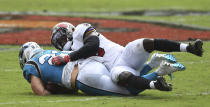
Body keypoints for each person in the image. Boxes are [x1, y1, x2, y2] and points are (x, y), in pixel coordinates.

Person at [50, 22, 192, 90]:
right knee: (119, 77)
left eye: (62, 39)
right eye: (59, 43)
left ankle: (188, 47)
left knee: (142, 43)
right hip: (117, 67)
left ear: (70, 30)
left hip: (124, 54)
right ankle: (156, 82)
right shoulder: (70, 54)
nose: (62, 44)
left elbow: (92, 45)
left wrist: (68, 57)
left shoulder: (80, 30)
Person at [19, 42, 181, 96]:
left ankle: (158, 72)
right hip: (92, 63)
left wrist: (48, 92)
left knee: (128, 91)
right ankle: (151, 64)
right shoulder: (50, 52)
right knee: (124, 78)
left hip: (85, 77)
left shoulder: (30, 65)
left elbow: (39, 91)